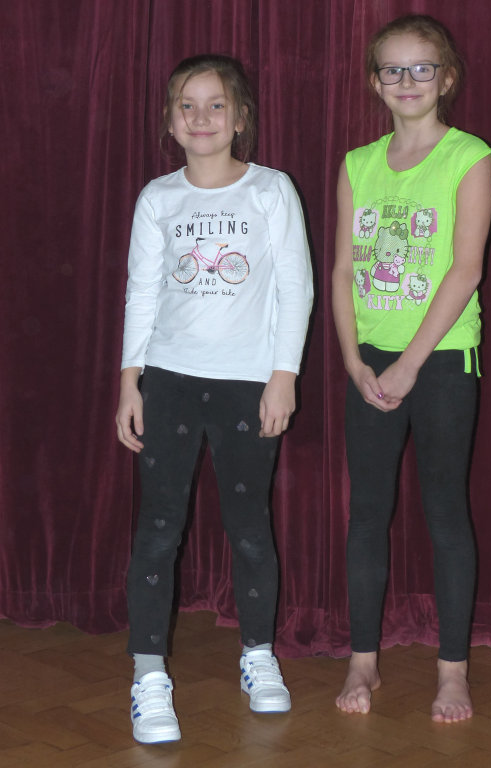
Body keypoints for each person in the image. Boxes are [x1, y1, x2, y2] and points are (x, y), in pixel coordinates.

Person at [116, 54, 313, 744]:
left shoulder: (271, 191)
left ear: (240, 118)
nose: (201, 118)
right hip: (169, 380)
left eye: (216, 105)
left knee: (248, 525)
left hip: (246, 383)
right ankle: (148, 675)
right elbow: (143, 291)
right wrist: (129, 381)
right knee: (158, 528)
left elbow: (296, 287)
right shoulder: (158, 198)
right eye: (187, 106)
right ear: (170, 122)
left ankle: (258, 654)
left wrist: (283, 375)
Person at [332, 15, 491, 723]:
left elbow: (465, 270)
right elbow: (343, 270)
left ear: (446, 77)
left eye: (421, 68)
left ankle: (452, 672)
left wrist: (409, 365)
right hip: (370, 364)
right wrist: (352, 360)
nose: (407, 81)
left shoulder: (470, 157)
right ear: (375, 83)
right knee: (367, 514)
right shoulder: (357, 164)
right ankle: (362, 661)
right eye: (392, 70)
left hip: (441, 362)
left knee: (445, 513)